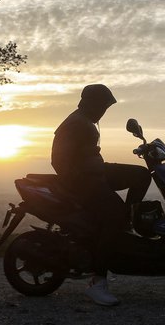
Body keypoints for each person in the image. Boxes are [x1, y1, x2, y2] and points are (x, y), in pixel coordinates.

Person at [52, 84, 151, 306]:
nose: (104, 111)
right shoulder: (75, 124)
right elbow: (58, 161)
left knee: (141, 175)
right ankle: (97, 282)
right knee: (114, 215)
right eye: (103, 106)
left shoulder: (86, 121)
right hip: (84, 181)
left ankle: (127, 224)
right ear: (90, 103)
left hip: (97, 172)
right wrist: (80, 182)